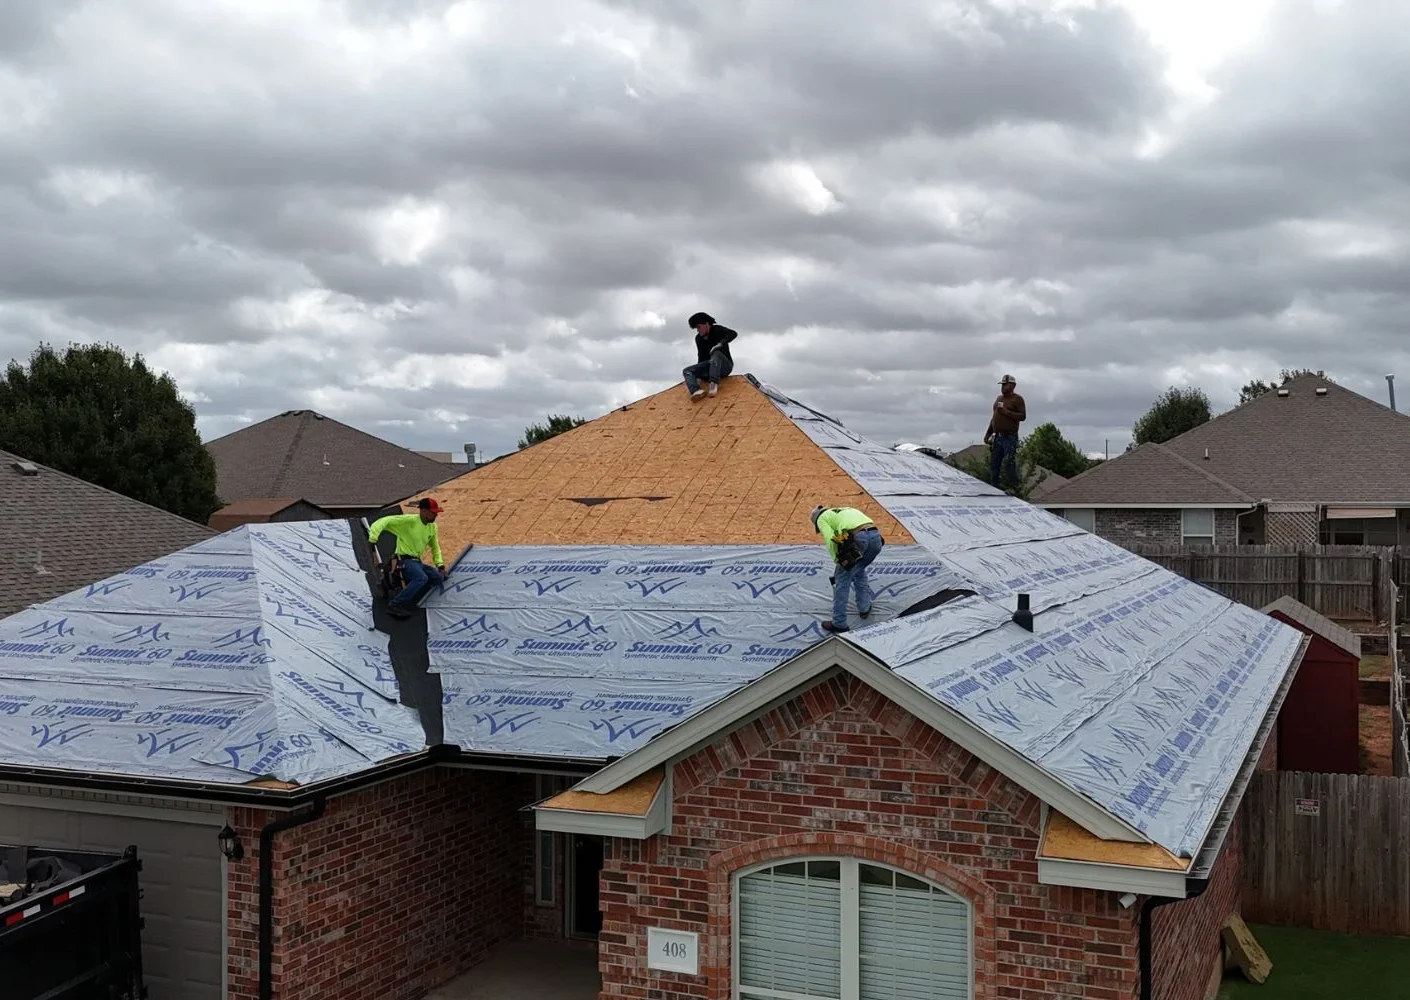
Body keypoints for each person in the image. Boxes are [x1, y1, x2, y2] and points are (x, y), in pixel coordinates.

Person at [367, 498, 447, 618]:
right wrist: (373, 538)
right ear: (423, 511)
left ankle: (408, 589)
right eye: (433, 512)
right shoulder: (408, 521)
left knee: (438, 578)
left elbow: (435, 547)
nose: (435, 515)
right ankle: (394, 605)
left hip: (417, 561)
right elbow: (384, 521)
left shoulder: (432, 527)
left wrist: (440, 566)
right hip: (404, 560)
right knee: (421, 578)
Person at [811, 505, 885, 633]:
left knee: (842, 580)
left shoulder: (822, 518)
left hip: (859, 539)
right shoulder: (845, 509)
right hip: (876, 538)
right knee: (859, 569)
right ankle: (864, 607)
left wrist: (837, 560)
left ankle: (839, 623)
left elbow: (830, 538)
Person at [983, 374, 1026, 491]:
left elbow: (1022, 416)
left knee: (1009, 463)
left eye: (1005, 385)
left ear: (1013, 385)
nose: (1003, 387)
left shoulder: (1017, 399)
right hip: (998, 436)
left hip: (1009, 437)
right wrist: (988, 433)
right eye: (1002, 385)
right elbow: (994, 418)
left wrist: (1006, 412)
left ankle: (1013, 488)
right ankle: (994, 488)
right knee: (994, 464)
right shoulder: (998, 399)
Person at [682, 312, 738, 400]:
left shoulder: (718, 329)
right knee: (687, 371)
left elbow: (733, 333)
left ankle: (714, 383)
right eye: (696, 328)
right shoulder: (698, 338)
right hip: (710, 366)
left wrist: (720, 344)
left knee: (715, 353)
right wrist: (698, 372)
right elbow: (701, 356)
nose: (698, 330)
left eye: (699, 327)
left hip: (724, 366)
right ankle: (696, 391)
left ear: (707, 324)